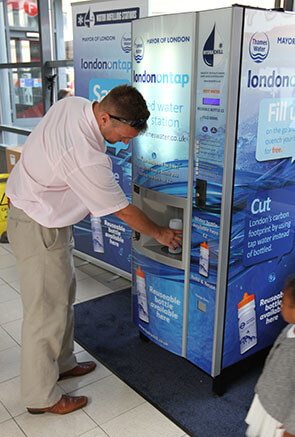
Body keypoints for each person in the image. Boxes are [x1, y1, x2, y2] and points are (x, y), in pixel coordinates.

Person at [5, 85, 182, 415]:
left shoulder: (74, 105)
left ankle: (62, 362)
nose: (125, 143)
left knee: (62, 297)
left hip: (44, 217)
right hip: (36, 224)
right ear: (104, 117)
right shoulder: (85, 156)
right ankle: (41, 397)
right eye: (123, 135)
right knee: (44, 314)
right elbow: (123, 211)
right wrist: (160, 232)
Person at [245, 277, 295, 437]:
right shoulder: (291, 328)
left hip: (284, 413)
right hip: (272, 398)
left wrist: (293, 426)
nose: (281, 305)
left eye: (284, 302)